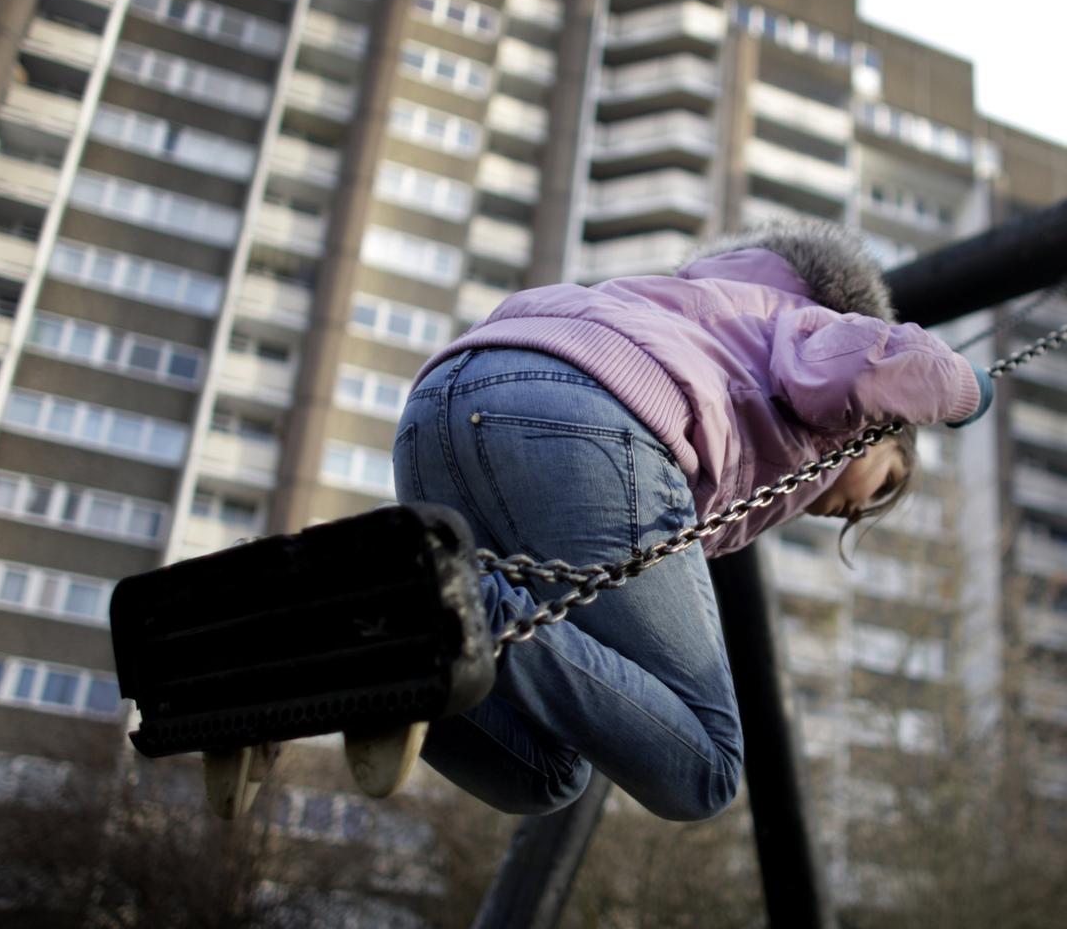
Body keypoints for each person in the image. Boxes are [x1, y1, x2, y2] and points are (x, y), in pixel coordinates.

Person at [389, 221, 993, 819]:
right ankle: (446, 605)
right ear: (885, 430)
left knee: (544, 775)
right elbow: (877, 362)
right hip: (585, 411)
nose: (857, 511)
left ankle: (380, 649)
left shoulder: (704, 307)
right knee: (705, 768)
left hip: (436, 406)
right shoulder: (816, 328)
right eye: (885, 483)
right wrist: (970, 389)